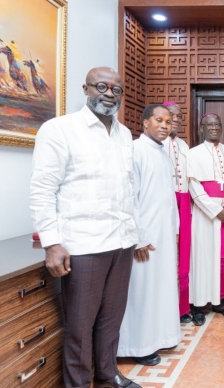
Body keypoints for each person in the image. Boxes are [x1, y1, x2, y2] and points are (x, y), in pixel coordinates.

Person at [30, 67, 142, 388]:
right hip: (82, 246)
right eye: (102, 87)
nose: (109, 94)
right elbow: (42, 189)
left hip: (121, 243)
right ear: (86, 88)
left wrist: (137, 235)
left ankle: (107, 374)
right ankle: (79, 383)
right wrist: (52, 243)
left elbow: (128, 189)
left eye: (116, 90)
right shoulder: (59, 129)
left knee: (111, 319)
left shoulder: (124, 135)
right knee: (80, 325)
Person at [118, 104, 181, 366]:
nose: (164, 126)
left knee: (161, 287)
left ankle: (159, 338)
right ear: (145, 123)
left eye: (168, 121)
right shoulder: (136, 150)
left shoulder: (163, 153)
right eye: (158, 120)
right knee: (142, 290)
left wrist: (175, 229)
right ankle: (137, 345)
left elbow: (168, 197)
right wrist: (139, 238)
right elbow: (129, 198)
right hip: (144, 238)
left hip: (163, 234)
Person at [187, 113, 224, 325]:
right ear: (202, 128)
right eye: (209, 125)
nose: (213, 128)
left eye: (217, 125)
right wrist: (214, 210)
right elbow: (194, 185)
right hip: (205, 216)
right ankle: (199, 305)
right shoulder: (193, 154)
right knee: (203, 258)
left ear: (221, 127)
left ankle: (223, 302)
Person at [163, 101, 193, 324]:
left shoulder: (184, 146)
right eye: (171, 115)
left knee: (182, 254)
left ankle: (181, 307)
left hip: (184, 202)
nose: (175, 119)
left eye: (178, 116)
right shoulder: (155, 144)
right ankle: (165, 308)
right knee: (165, 254)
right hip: (164, 203)